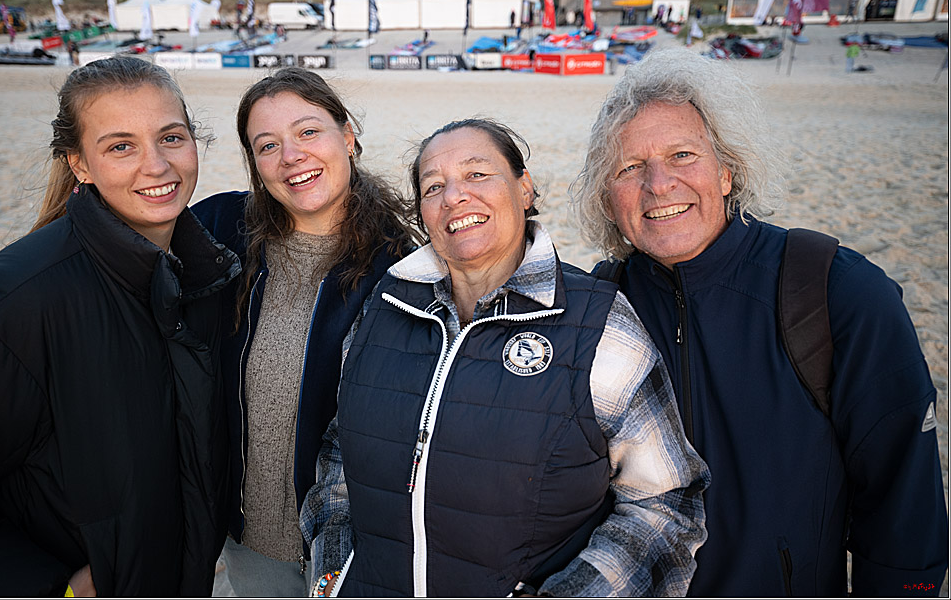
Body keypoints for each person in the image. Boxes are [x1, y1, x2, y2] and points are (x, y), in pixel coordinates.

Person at [571, 47, 948, 596]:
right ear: (609, 199)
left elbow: (902, 507)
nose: (658, 183)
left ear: (728, 172)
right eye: (630, 168)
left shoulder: (836, 292)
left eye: (683, 155)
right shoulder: (597, 309)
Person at [301, 118, 710, 597]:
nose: (454, 196)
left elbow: (664, 504)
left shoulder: (598, 324)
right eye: (434, 186)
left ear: (524, 189)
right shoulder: (383, 309)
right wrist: (334, 578)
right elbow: (338, 457)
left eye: (477, 174)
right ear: (423, 214)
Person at [0, 56, 240, 596]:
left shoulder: (205, 277)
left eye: (171, 137)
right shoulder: (19, 300)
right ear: (80, 164)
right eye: (121, 146)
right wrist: (52, 588)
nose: (157, 166)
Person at [191, 67, 418, 597]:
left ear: (348, 135)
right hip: (246, 545)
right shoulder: (219, 234)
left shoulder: (403, 270)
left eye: (309, 132)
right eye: (267, 145)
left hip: (353, 555)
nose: (291, 156)